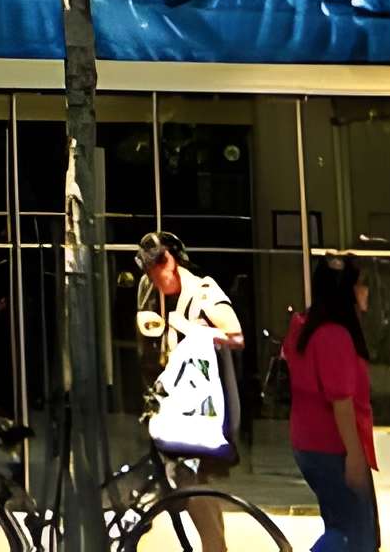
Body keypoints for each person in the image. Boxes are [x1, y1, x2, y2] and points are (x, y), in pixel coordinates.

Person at [138, 231, 244, 552]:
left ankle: (214, 548)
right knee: (189, 487)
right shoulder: (147, 290)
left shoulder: (203, 290)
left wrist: (191, 330)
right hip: (166, 403)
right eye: (150, 267)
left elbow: (236, 336)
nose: (157, 272)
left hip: (202, 407)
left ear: (175, 258)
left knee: (194, 485)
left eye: (162, 262)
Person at [283, 255, 379, 552]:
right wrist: (354, 456)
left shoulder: (303, 325)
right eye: (361, 285)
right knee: (353, 535)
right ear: (345, 290)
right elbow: (341, 402)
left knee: (346, 528)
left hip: (310, 444)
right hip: (334, 448)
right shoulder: (334, 335)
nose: (366, 292)